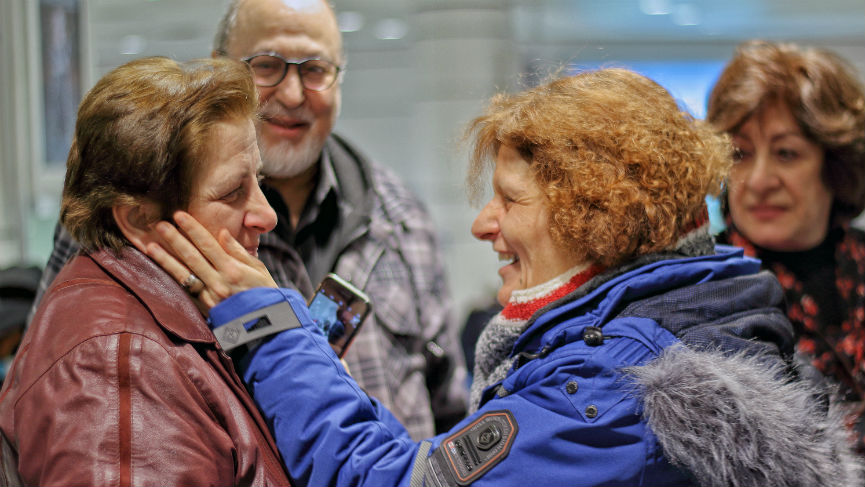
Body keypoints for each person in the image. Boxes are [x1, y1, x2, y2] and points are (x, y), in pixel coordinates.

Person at [153, 68, 863, 486]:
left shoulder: (616, 391)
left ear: (601, 218)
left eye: (511, 200)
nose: (484, 224)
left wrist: (269, 329)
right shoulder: (705, 310)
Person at [28, 0, 467, 439]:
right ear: (222, 70)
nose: (293, 95)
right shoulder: (132, 207)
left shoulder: (402, 219)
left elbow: (447, 409)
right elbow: (59, 381)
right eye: (267, 65)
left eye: (315, 70)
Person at [0, 57, 292, 485]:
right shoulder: (120, 369)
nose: (267, 216)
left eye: (258, 183)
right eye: (232, 191)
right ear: (138, 221)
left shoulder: (180, 316)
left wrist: (276, 330)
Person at [707, 40, 865, 450]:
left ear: (835, 166)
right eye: (740, 154)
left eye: (786, 153)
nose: (759, 181)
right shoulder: (696, 286)